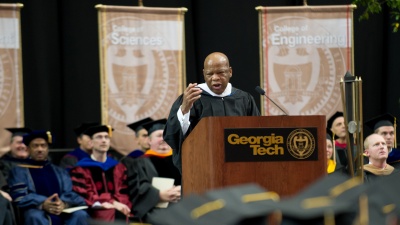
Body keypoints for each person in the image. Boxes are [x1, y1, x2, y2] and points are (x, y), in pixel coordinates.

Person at [163, 52, 260, 173]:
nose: (215, 78)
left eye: (220, 72)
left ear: (230, 71)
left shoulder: (244, 99)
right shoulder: (192, 98)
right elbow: (172, 137)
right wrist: (184, 110)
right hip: (202, 169)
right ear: (204, 74)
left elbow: (257, 134)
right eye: (209, 74)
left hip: (240, 169)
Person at [7, 130, 88, 225]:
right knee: (34, 216)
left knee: (80, 215)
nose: (40, 149)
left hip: (60, 209)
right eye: (35, 146)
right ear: (28, 149)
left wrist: (63, 203)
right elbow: (19, 196)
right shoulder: (19, 171)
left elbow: (69, 193)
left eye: (43, 145)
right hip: (36, 208)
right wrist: (43, 202)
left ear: (48, 149)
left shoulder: (59, 171)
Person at [122, 119, 181, 223]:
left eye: (166, 135)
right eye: (159, 135)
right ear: (149, 141)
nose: (163, 138)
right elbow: (138, 187)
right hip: (154, 208)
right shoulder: (139, 163)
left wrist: (182, 189)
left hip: (182, 204)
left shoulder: (181, 160)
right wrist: (159, 195)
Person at [69, 125, 131, 222]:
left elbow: (123, 192)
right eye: (99, 137)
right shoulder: (81, 169)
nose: (103, 140)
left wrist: (118, 204)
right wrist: (110, 202)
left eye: (106, 137)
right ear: (91, 143)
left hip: (118, 208)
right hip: (93, 210)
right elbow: (84, 194)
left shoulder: (118, 168)